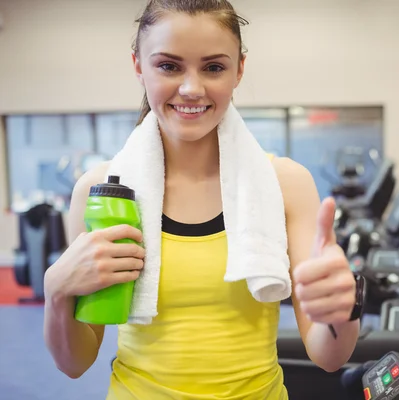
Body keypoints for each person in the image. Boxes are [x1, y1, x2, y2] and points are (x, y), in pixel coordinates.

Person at [42, 0, 361, 398]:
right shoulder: (100, 191)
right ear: (139, 65)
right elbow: (74, 363)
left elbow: (328, 356)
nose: (191, 88)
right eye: (169, 66)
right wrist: (56, 290)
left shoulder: (286, 185)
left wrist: (343, 308)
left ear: (239, 69)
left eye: (213, 67)